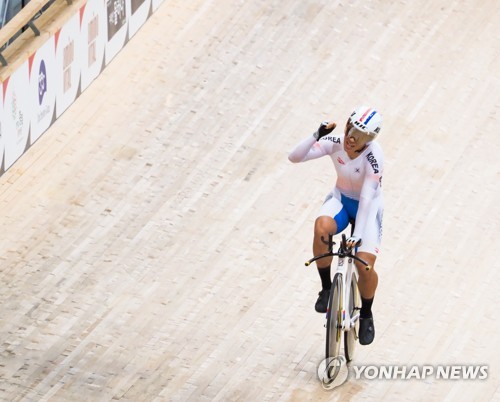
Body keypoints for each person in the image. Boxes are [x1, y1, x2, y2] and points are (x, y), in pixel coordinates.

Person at [288, 106, 384, 345]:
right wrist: (316, 135)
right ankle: (327, 288)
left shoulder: (374, 157)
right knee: (321, 227)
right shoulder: (336, 141)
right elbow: (294, 157)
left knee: (365, 268)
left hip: (367, 209)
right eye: (351, 130)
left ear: (369, 140)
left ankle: (367, 314)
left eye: (360, 137)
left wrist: (358, 235)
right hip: (340, 200)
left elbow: (366, 199)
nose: (352, 139)